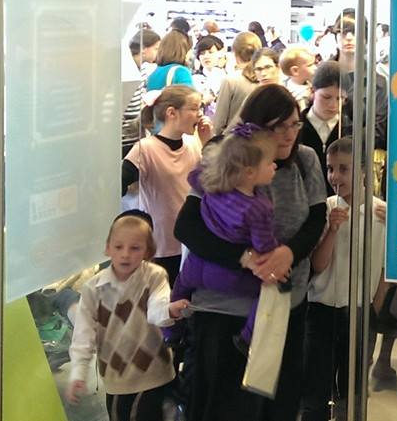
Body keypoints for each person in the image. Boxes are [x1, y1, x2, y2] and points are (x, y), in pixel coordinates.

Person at [174, 84, 328, 421]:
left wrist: (289, 253)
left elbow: (317, 218)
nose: (289, 134)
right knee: (224, 406)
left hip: (284, 307)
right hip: (225, 310)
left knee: (279, 404)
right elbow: (187, 227)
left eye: (294, 124)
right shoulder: (225, 154)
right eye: (278, 127)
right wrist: (245, 258)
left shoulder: (305, 159)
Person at [66, 212, 189, 421]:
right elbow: (83, 335)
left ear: (148, 251)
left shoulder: (155, 276)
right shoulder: (93, 288)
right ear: (107, 248)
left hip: (155, 372)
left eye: (135, 248)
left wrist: (169, 310)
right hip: (118, 379)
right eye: (118, 247)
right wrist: (78, 371)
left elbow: (156, 308)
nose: (125, 254)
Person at [172, 123, 279, 353]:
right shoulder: (258, 208)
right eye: (270, 163)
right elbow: (263, 245)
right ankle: (246, 337)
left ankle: (170, 331)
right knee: (267, 293)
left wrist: (217, 165)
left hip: (196, 265)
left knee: (179, 289)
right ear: (250, 172)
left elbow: (194, 176)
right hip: (230, 277)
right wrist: (272, 255)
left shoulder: (214, 186)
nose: (275, 166)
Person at [301, 137, 388, 421]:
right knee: (315, 386)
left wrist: (375, 308)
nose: (335, 177)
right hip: (322, 310)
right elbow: (318, 264)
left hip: (360, 312)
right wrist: (332, 230)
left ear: (362, 170)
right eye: (330, 169)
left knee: (354, 389)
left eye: (344, 169)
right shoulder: (324, 209)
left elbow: (387, 269)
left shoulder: (381, 213)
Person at [123, 85, 213, 284]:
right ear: (172, 113)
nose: (200, 114)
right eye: (194, 108)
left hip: (194, 238)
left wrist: (208, 143)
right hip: (163, 244)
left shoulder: (193, 142)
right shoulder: (146, 149)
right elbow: (119, 184)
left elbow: (212, 181)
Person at [333, 9, 388, 150]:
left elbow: (378, 130)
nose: (349, 37)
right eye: (343, 32)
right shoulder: (320, 75)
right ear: (336, 36)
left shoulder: (377, 83)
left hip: (360, 155)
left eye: (355, 32)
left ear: (365, 38)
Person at [299, 60, 349, 185]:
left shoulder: (349, 129)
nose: (333, 105)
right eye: (326, 97)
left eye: (340, 98)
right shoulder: (297, 127)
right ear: (313, 91)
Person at [122, 28, 161, 157]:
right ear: (143, 49)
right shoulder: (126, 71)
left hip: (136, 135)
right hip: (123, 138)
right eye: (156, 48)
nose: (158, 52)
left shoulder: (144, 70)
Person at [214, 31, 262, 132]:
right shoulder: (266, 78)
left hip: (233, 139)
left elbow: (218, 125)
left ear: (235, 53)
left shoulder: (230, 81)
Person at [192, 35, 226, 119]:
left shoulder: (226, 77)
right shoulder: (194, 79)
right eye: (202, 53)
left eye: (211, 52)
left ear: (220, 54)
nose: (206, 56)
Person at [280, 46, 318, 111]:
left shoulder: (306, 81)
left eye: (314, 64)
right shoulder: (300, 97)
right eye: (310, 65)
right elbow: (303, 114)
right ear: (295, 71)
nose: (315, 68)